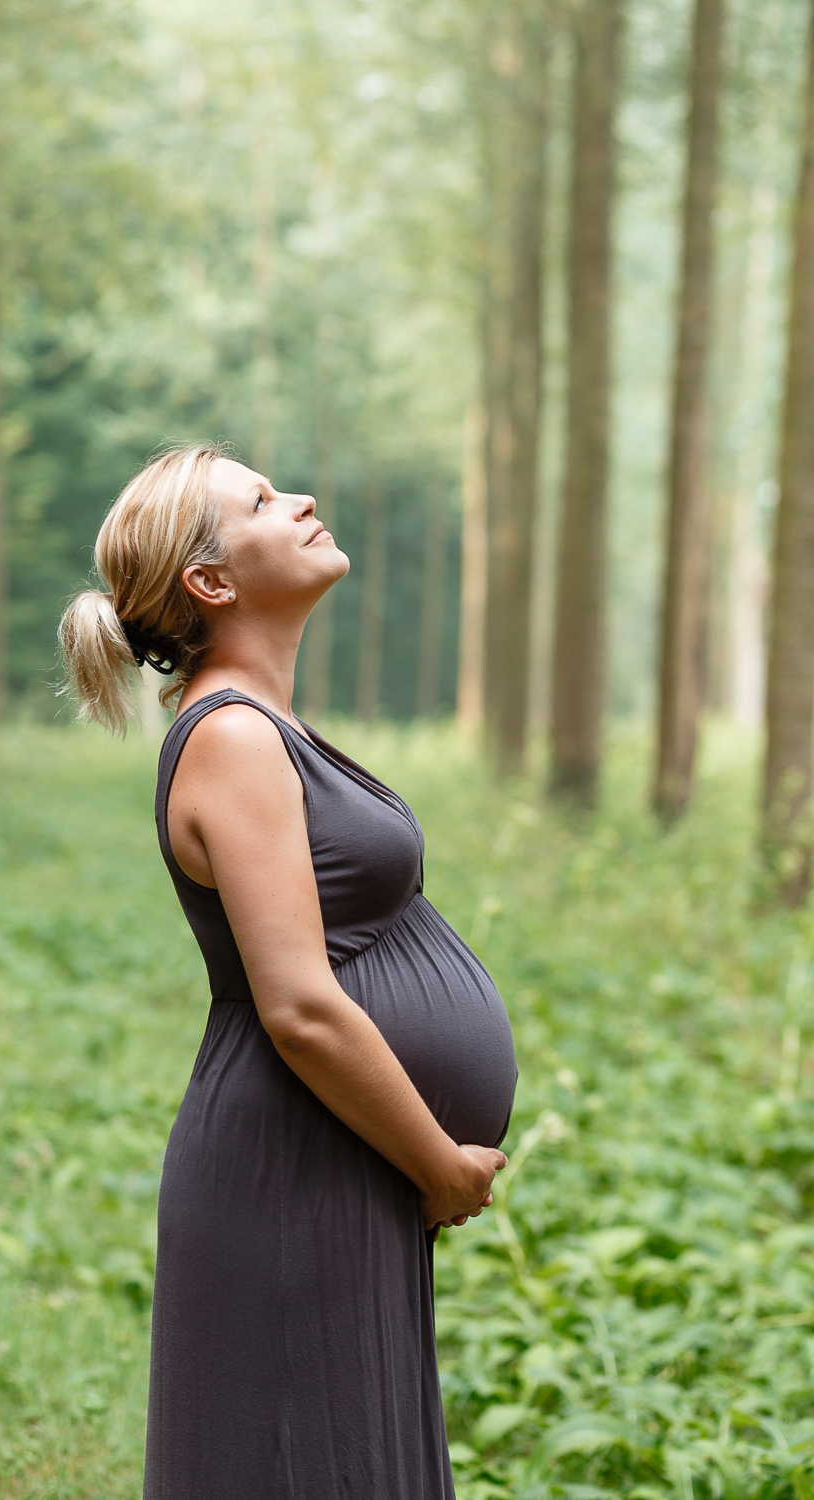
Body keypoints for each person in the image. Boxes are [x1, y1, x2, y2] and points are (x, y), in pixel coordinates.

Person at [59, 441, 517, 1500]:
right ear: (211, 582)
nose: (303, 498)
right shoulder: (231, 738)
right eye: (264, 500)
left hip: (331, 1156)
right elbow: (302, 1006)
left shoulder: (261, 727)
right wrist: (439, 1167)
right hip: (297, 1163)